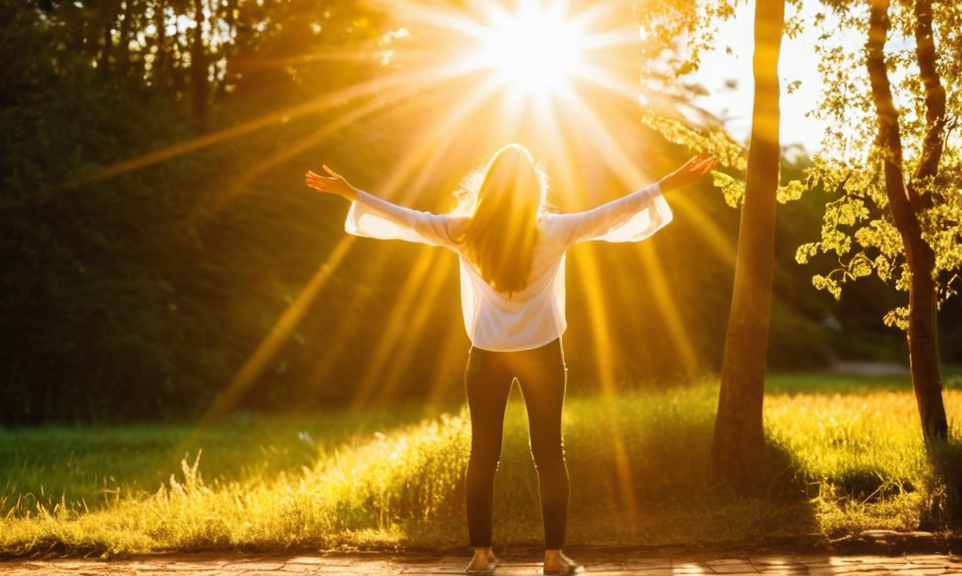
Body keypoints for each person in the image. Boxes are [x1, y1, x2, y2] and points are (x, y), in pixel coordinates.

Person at [305, 145, 716, 575]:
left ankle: (481, 556)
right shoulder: (555, 230)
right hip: (542, 352)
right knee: (550, 454)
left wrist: (351, 192)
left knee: (482, 455)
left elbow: (406, 218)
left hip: (488, 354)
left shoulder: (464, 230)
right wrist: (669, 183)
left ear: (489, 188)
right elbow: (614, 211)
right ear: (534, 189)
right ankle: (553, 559)